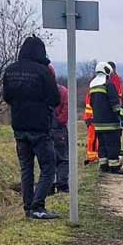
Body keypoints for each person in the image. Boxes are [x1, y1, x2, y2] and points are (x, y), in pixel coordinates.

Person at [2, 36, 61, 220]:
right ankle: (38, 206)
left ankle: (28, 207)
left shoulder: (10, 70)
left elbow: (7, 97)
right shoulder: (43, 71)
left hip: (19, 127)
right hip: (40, 127)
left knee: (26, 169)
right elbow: (55, 99)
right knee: (48, 167)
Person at [89, 62, 123, 174]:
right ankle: (114, 167)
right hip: (111, 123)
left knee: (102, 145)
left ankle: (103, 165)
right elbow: (115, 104)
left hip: (98, 123)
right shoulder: (109, 85)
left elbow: (92, 103)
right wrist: (121, 116)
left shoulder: (93, 86)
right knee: (113, 145)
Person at [49, 64, 70, 194]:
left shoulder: (38, 92)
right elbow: (66, 110)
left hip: (44, 130)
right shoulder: (63, 91)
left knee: (47, 159)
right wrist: (59, 121)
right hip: (59, 130)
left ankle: (49, 186)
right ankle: (62, 185)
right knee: (62, 158)